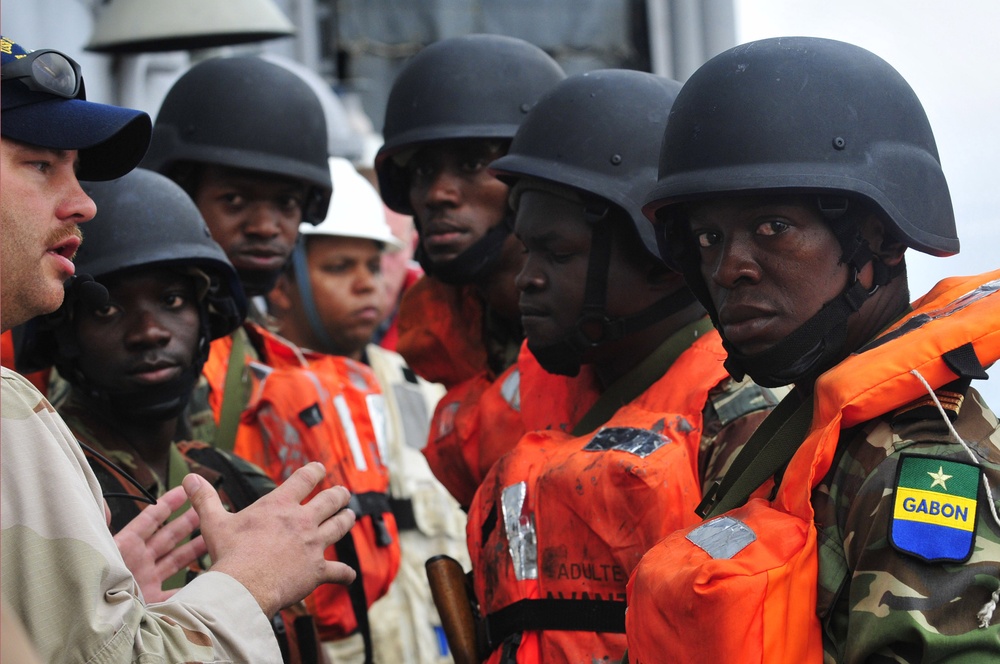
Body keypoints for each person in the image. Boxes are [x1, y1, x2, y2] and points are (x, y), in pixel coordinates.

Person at [626, 36, 1000, 663]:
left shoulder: (920, 464)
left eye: (773, 227)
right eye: (711, 237)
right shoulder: (785, 437)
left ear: (874, 238)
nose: (729, 267)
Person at [0, 35, 356, 663]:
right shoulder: (13, 420)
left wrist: (103, 612)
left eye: (174, 301)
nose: (83, 202)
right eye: (38, 165)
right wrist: (248, 583)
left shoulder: (236, 467)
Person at [464, 69, 782, 664]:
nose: (527, 278)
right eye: (525, 249)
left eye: (557, 253)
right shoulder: (557, 409)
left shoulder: (739, 421)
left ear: (662, 258)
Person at [270, 156, 471, 664]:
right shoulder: (262, 399)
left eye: (373, 264)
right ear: (280, 283)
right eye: (340, 267)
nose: (367, 284)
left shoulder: (420, 386)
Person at [374, 34, 566, 508]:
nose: (438, 193)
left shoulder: (610, 330)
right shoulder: (462, 338)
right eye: (421, 171)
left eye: (472, 163)